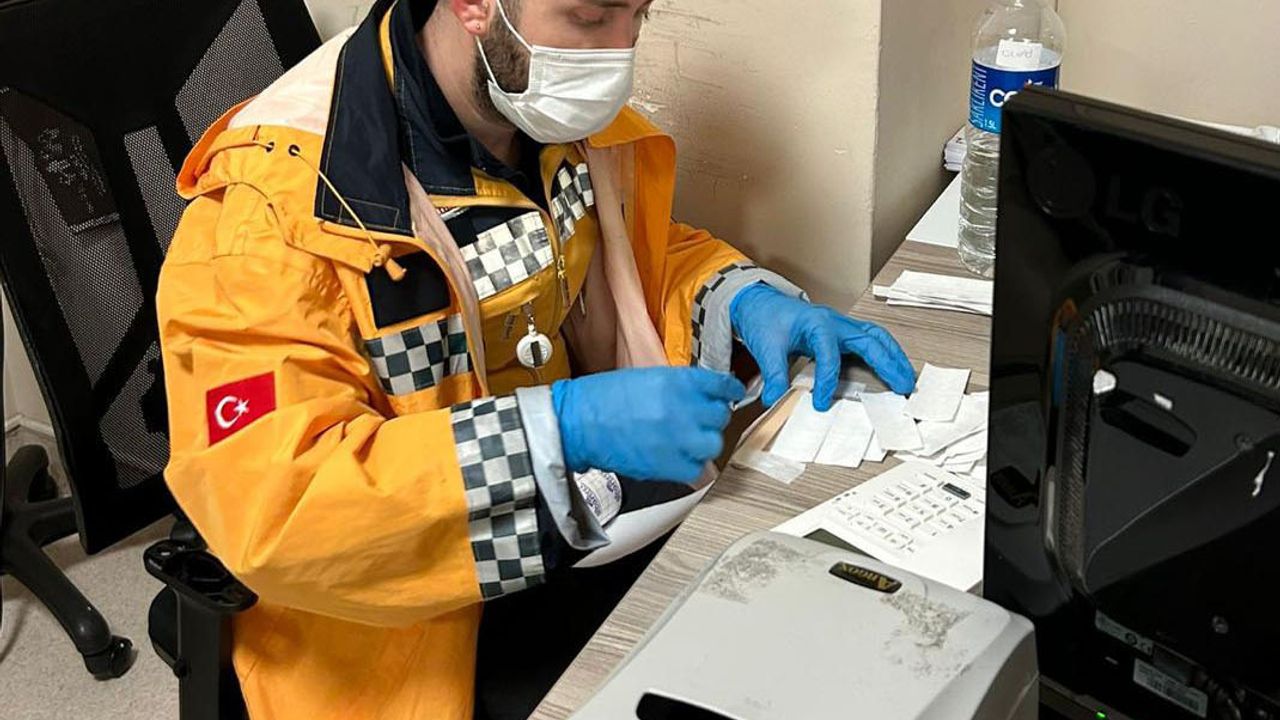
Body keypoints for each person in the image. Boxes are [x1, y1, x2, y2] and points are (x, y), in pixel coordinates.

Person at [155, 0, 917, 718]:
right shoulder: (266, 218)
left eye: (638, 17)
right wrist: (558, 431)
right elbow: (280, 501)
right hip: (407, 629)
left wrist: (739, 297)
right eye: (589, 16)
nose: (617, 55)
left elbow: (618, 259)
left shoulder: (549, 120)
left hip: (576, 536)